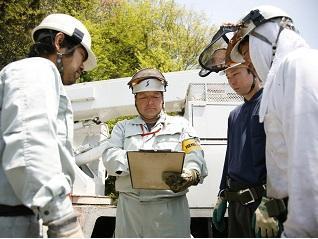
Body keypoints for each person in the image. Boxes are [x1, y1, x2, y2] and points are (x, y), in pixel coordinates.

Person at [0, 13, 97, 237]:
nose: (82, 67)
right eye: (82, 57)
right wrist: (62, 219)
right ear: (60, 42)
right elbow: (29, 145)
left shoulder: (36, 76)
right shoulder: (35, 70)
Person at [228, 5, 318, 237]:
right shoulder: (280, 78)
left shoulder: (297, 65)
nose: (250, 62)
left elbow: (309, 159)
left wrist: (300, 230)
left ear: (263, 36)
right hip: (282, 211)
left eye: (247, 54)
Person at [102, 68, 208, 238]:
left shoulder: (182, 126)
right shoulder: (122, 128)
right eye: (143, 97)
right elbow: (110, 157)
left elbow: (194, 153)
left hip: (170, 211)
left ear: (163, 99)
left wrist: (192, 172)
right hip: (131, 211)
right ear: (135, 100)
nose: (149, 102)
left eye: (155, 96)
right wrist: (139, 162)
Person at [209, 50, 267, 237]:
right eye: (228, 76)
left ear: (254, 71)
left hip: (262, 205)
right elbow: (230, 157)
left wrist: (272, 203)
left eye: (236, 74)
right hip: (236, 205)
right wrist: (221, 194)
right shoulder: (234, 115)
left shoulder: (271, 106)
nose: (231, 81)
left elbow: (283, 160)